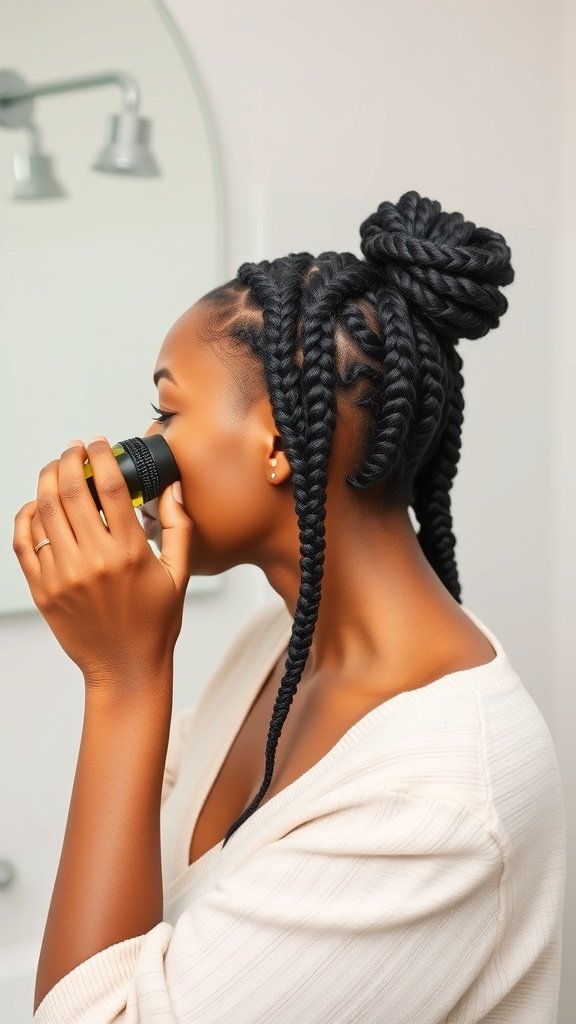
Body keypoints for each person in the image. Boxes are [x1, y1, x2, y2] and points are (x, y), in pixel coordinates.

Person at [19, 190, 565, 1022]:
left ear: (276, 442)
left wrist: (123, 680)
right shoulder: (282, 641)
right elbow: (151, 834)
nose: (145, 449)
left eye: (167, 412)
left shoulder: (436, 798)